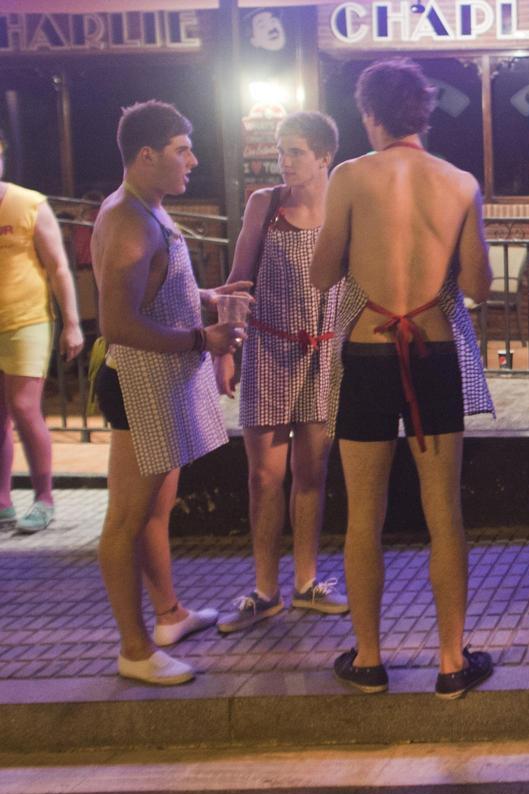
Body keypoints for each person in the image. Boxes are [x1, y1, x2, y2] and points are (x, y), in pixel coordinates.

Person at [310, 58, 495, 698]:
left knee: (365, 513)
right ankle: (450, 661)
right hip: (434, 353)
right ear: (425, 112)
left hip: (366, 352)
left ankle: (368, 659)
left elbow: (321, 272)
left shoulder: (350, 176)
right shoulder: (460, 182)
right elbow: (476, 285)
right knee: (444, 511)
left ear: (370, 115)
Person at [92, 101, 248, 685]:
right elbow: (118, 323)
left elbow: (158, 283)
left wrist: (206, 295)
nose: (193, 160)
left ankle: (168, 616)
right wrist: (201, 338)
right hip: (137, 384)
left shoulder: (146, 208)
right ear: (147, 155)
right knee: (126, 520)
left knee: (157, 509)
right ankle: (134, 650)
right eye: (182, 149)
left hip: (160, 385)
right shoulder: (129, 219)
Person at [214, 111, 349, 634]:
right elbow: (237, 281)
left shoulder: (343, 208)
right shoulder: (265, 205)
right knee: (264, 477)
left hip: (324, 356)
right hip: (270, 351)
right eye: (280, 150)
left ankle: (307, 582)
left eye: (294, 151)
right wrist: (225, 350)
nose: (284, 161)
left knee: (312, 472)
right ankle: (265, 589)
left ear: (323, 157)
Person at [0, 128, 85, 534]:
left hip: (26, 320)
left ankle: (44, 499)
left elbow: (58, 267)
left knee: (23, 408)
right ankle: (2, 503)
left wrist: (72, 323)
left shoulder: (29, 204)